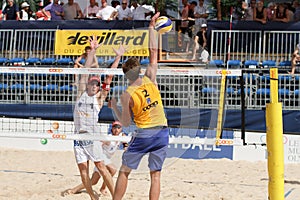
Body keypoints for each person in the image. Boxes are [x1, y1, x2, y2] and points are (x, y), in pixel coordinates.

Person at [109, 12, 169, 200]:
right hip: (162, 131)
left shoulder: (127, 94)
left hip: (144, 133)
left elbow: (125, 123)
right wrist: (151, 28)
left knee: (125, 171)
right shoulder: (150, 79)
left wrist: (113, 108)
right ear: (139, 70)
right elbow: (153, 53)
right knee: (156, 175)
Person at [73, 36, 127, 200]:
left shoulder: (98, 99)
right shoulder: (81, 93)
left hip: (92, 137)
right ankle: (92, 197)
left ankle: (115, 197)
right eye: (93, 83)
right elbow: (86, 71)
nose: (94, 85)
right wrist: (93, 51)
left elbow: (109, 77)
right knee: (83, 171)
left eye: (97, 84)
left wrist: (118, 57)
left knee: (101, 167)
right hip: (78, 137)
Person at [63, 121, 128, 197]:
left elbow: (125, 140)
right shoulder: (108, 138)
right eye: (114, 127)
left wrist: (125, 146)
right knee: (113, 169)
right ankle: (105, 190)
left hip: (106, 159)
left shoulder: (122, 135)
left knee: (93, 181)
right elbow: (99, 143)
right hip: (101, 157)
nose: (116, 129)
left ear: (121, 129)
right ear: (111, 129)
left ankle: (74, 190)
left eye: (118, 127)